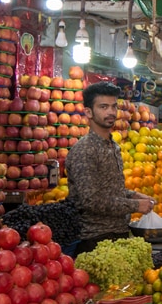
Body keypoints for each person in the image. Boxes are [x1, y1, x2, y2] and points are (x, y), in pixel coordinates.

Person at [66, 82, 155, 256]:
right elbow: (92, 200)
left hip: (118, 234)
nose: (111, 112)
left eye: (114, 106)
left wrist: (133, 195)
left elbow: (110, 190)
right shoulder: (85, 150)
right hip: (95, 240)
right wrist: (135, 205)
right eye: (103, 107)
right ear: (88, 112)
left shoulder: (112, 145)